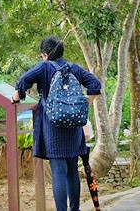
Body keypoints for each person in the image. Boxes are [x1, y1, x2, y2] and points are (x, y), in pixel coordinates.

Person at [12, 36, 102, 211]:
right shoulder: (73, 68)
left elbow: (23, 80)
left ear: (45, 54)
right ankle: (74, 209)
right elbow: (95, 83)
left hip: (53, 128)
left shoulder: (44, 67)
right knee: (72, 171)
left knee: (58, 171)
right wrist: (83, 105)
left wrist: (16, 98)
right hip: (74, 127)